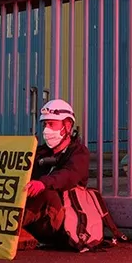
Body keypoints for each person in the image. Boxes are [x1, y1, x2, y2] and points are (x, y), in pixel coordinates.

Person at [18, 99, 90, 249]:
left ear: (67, 126)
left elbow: (68, 175)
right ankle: (14, 231)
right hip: (39, 219)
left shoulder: (79, 153)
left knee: (47, 192)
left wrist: (43, 183)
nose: (46, 129)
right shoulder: (40, 152)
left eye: (51, 124)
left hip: (61, 220)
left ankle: (8, 228)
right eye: (45, 124)